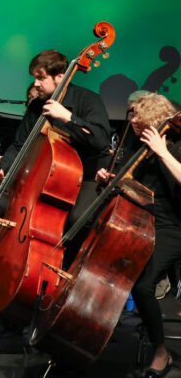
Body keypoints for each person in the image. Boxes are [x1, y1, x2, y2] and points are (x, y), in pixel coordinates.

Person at [94, 94, 180, 378]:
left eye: (138, 118)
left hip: (172, 225)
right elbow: (131, 183)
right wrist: (110, 180)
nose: (131, 121)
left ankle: (161, 352)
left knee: (143, 286)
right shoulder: (137, 144)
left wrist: (163, 152)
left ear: (154, 120)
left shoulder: (176, 145)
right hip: (140, 221)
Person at [0, 50, 112, 230]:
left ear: (59, 77)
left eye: (41, 78)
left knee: (77, 219)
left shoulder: (88, 99)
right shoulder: (37, 106)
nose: (35, 84)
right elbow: (19, 145)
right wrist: (2, 169)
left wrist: (68, 117)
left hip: (85, 176)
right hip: (45, 177)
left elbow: (101, 140)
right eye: (34, 78)